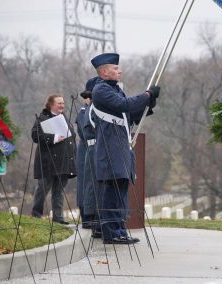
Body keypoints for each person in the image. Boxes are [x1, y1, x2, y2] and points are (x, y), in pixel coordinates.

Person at [90, 53, 159, 244]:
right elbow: (124, 105)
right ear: (104, 71)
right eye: (115, 68)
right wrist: (146, 95)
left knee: (120, 189)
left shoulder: (114, 89)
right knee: (112, 190)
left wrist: (149, 102)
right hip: (111, 149)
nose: (119, 70)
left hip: (120, 147)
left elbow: (129, 115)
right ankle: (111, 232)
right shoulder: (101, 90)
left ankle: (119, 229)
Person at [31, 94, 76, 225]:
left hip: (63, 162)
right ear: (51, 104)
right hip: (47, 162)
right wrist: (54, 138)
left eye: (63, 103)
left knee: (58, 191)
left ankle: (58, 217)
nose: (62, 105)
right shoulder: (42, 118)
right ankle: (36, 215)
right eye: (59, 103)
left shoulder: (64, 118)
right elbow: (35, 135)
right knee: (42, 189)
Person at [81, 77, 102, 238]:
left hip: (94, 148)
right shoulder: (90, 110)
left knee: (95, 186)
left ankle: (97, 222)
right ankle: (95, 222)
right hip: (94, 148)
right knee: (94, 187)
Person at [75, 84, 93, 229]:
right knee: (84, 184)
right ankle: (86, 216)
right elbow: (84, 132)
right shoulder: (83, 112)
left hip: (90, 149)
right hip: (85, 150)